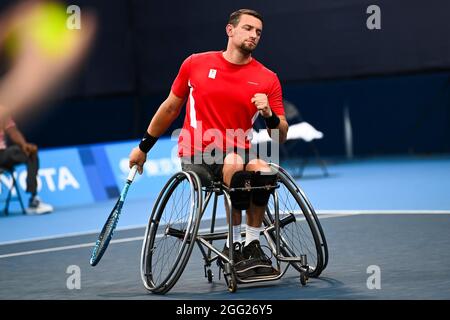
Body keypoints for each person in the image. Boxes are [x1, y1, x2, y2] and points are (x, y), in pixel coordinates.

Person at [129, 9, 289, 278]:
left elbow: (281, 133)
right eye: (248, 28)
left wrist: (269, 116)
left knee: (262, 167)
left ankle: (251, 243)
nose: (254, 35)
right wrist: (143, 147)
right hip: (197, 153)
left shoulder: (267, 78)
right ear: (230, 30)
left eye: (258, 32)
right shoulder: (195, 64)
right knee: (235, 162)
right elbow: (170, 108)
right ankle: (233, 242)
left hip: (240, 151)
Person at [0, 116, 53, 214]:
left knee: (31, 154)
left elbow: (13, 131)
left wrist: (24, 145)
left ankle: (33, 200)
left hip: (2, 154)